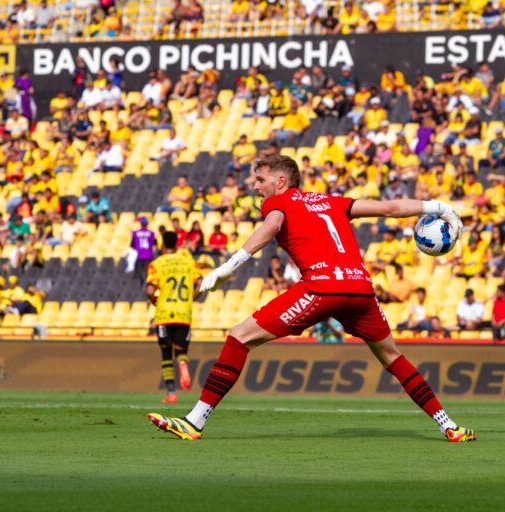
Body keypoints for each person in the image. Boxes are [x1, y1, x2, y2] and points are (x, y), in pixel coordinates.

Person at [148, 155, 474, 442]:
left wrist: (229, 265)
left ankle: (195, 421)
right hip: (360, 289)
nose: (255, 186)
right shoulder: (332, 201)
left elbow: (272, 226)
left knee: (239, 336)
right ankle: (449, 425)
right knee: (393, 357)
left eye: (260, 179)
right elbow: (390, 208)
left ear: (281, 180)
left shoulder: (279, 202)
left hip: (321, 287)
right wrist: (439, 207)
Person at [146, 231, 202, 404]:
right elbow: (200, 283)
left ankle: (171, 393)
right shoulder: (189, 262)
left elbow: (149, 289)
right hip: (184, 311)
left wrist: (153, 299)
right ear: (177, 244)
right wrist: (192, 298)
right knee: (181, 351)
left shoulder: (157, 264)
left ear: (163, 245)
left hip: (164, 313)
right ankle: (183, 364)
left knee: (166, 353)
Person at [131, 216, 156, 282]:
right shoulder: (151, 233)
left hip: (139, 256)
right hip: (148, 256)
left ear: (140, 223)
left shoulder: (135, 233)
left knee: (139, 275)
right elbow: (154, 243)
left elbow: (132, 245)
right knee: (148, 274)